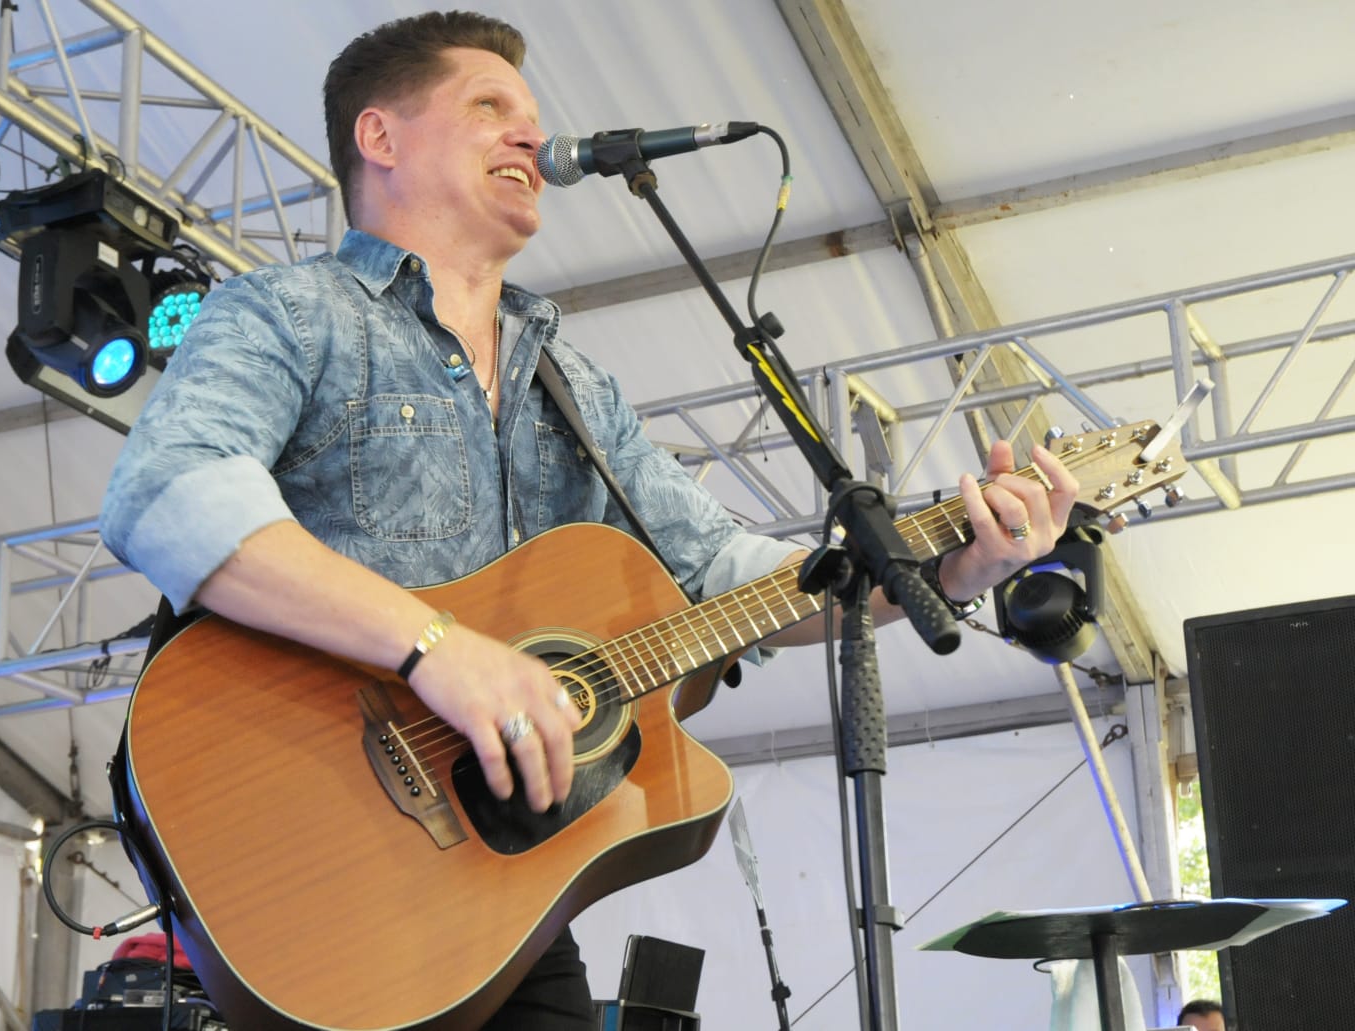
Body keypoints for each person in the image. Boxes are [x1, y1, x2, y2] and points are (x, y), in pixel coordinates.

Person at [99, 10, 1078, 1028]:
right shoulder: (290, 313)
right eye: (490, 106)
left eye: (531, 114)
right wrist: (436, 647)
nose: (531, 134)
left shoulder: (571, 380)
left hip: (500, 890)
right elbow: (167, 492)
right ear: (379, 137)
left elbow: (723, 573)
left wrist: (948, 568)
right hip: (314, 859)